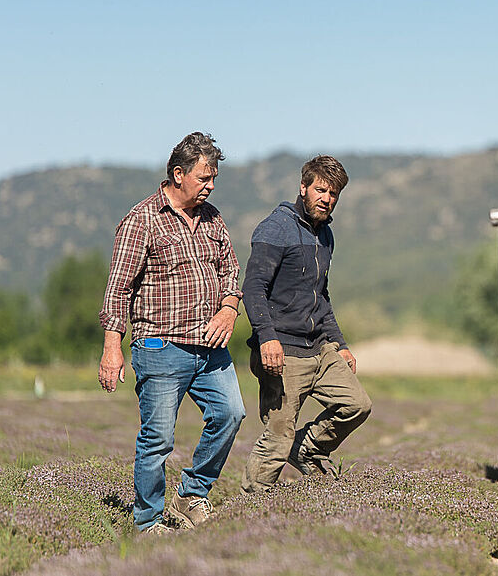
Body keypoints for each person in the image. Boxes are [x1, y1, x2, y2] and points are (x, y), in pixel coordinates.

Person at [98, 132, 246, 534]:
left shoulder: (213, 217)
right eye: (203, 177)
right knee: (158, 439)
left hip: (210, 348)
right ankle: (147, 521)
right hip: (159, 346)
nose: (211, 185)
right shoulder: (141, 220)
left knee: (231, 413)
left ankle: (191, 491)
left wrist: (230, 309)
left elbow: (231, 270)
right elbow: (118, 289)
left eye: (213, 177)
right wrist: (113, 348)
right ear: (178, 174)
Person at [242, 154, 371, 492]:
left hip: (318, 347)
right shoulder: (276, 228)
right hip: (281, 350)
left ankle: (307, 449)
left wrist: (339, 344)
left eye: (333, 194)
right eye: (320, 190)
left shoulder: (325, 236)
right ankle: (250, 507)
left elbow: (320, 296)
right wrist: (266, 338)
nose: (326, 199)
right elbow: (253, 288)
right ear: (303, 187)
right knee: (277, 436)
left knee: (357, 405)